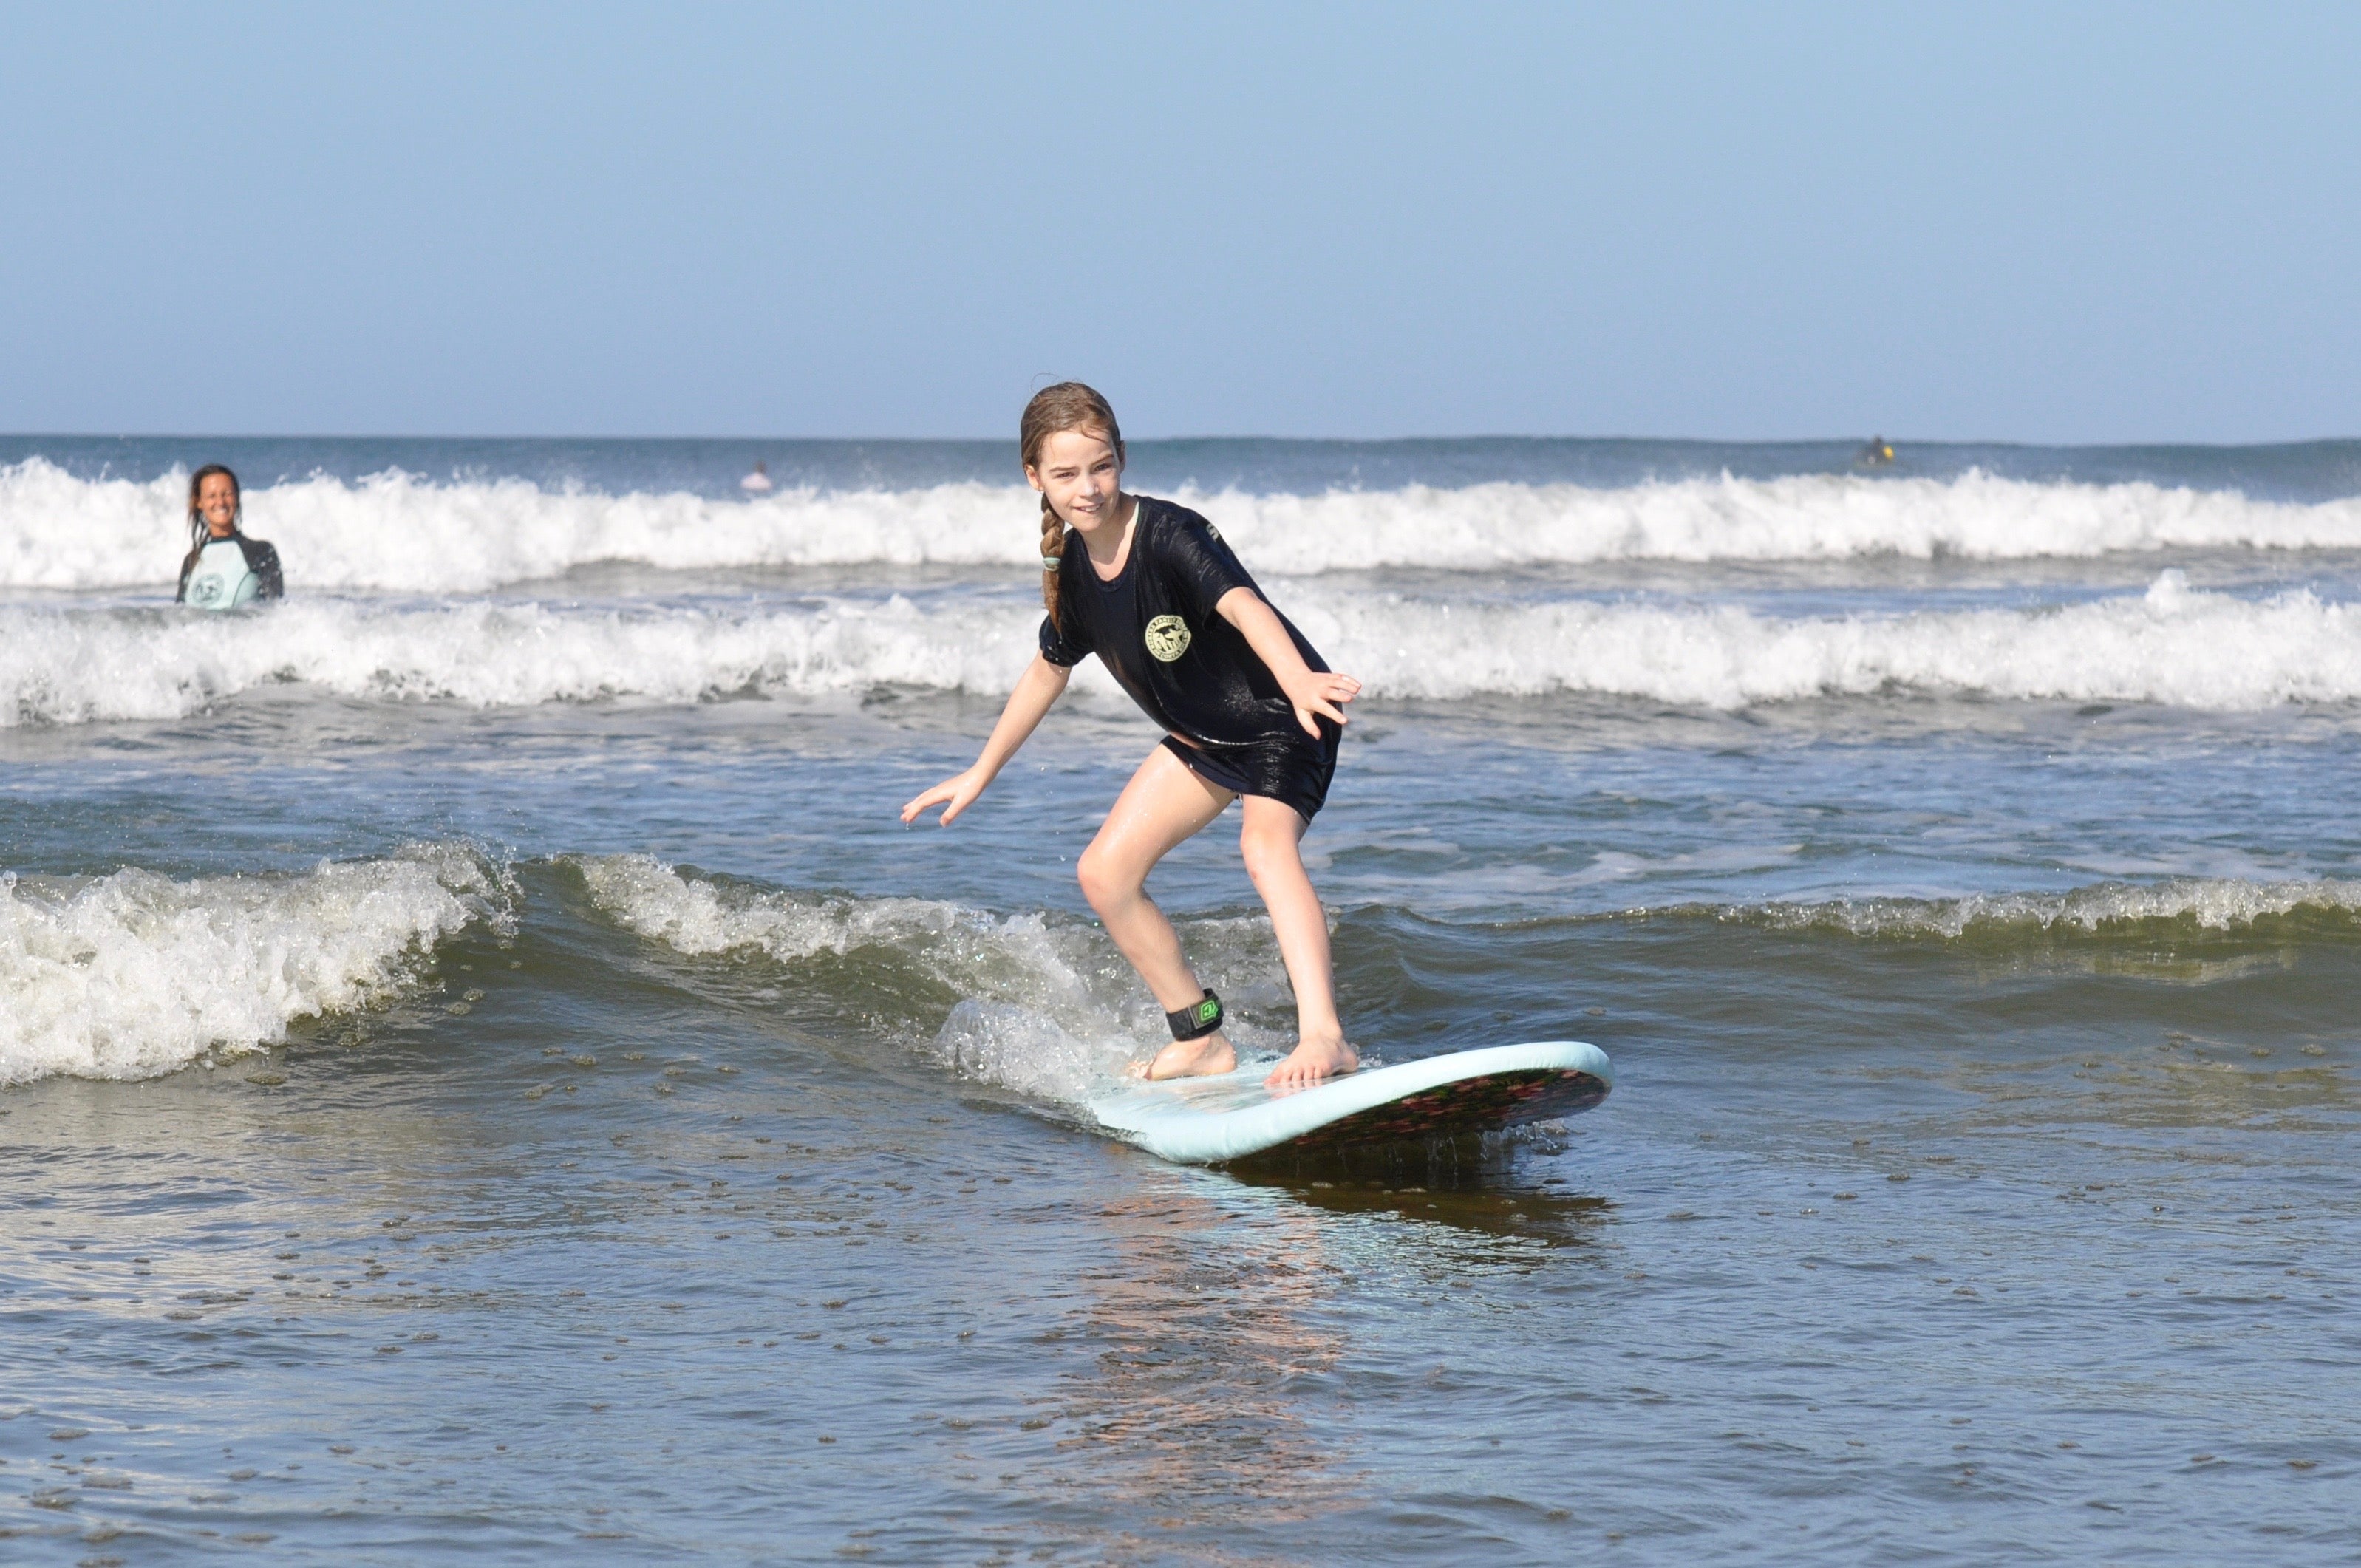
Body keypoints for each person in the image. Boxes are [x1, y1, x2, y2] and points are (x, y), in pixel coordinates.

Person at [902, 384, 1363, 1090]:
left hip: (1283, 717)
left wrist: (1300, 680)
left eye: (1101, 466)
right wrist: (980, 771)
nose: (1087, 488)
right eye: (1065, 474)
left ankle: (1325, 1037)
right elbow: (1044, 674)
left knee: (1263, 846)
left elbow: (1245, 606)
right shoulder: (1074, 574)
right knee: (1104, 875)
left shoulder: (1172, 534)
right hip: (1203, 736)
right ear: (1034, 478)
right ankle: (1200, 1035)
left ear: (1121, 457)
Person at [175, 464, 283, 609]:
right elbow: (178, 618)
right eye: (212, 496)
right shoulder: (191, 561)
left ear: (237, 497)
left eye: (227, 494)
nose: (220, 502)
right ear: (199, 503)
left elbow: (277, 612)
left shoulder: (260, 551)